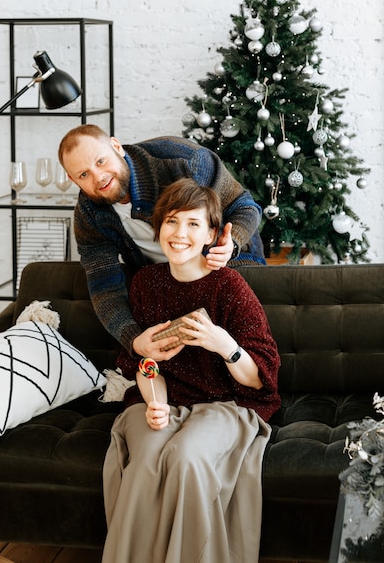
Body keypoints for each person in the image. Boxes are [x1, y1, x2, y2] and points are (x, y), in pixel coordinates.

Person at [101, 178, 280, 563]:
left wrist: (223, 343)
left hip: (225, 404)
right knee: (146, 461)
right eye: (171, 222)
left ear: (212, 234)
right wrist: (155, 402)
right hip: (161, 399)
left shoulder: (229, 286)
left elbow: (261, 376)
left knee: (186, 457)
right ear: (159, 228)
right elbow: (145, 364)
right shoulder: (146, 284)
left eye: (193, 224)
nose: (180, 234)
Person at [58, 124, 266, 353]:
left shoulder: (182, 160)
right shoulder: (89, 213)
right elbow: (104, 285)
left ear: (116, 147)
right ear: (72, 179)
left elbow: (244, 206)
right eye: (84, 174)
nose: (99, 177)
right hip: (166, 287)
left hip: (228, 266)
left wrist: (231, 242)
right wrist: (134, 340)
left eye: (100, 161)